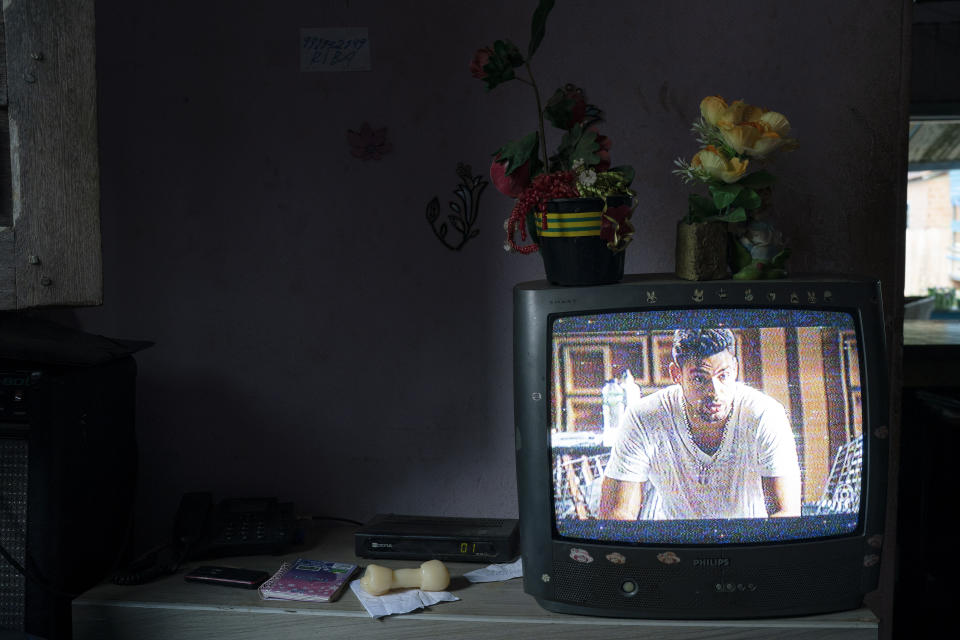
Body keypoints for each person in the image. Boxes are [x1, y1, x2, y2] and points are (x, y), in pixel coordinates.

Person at [597, 328, 801, 520]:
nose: (715, 392)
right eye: (699, 379)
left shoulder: (765, 415)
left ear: (736, 369)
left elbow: (785, 515)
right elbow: (617, 516)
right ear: (676, 374)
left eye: (724, 375)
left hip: (747, 546)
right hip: (672, 549)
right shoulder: (643, 417)